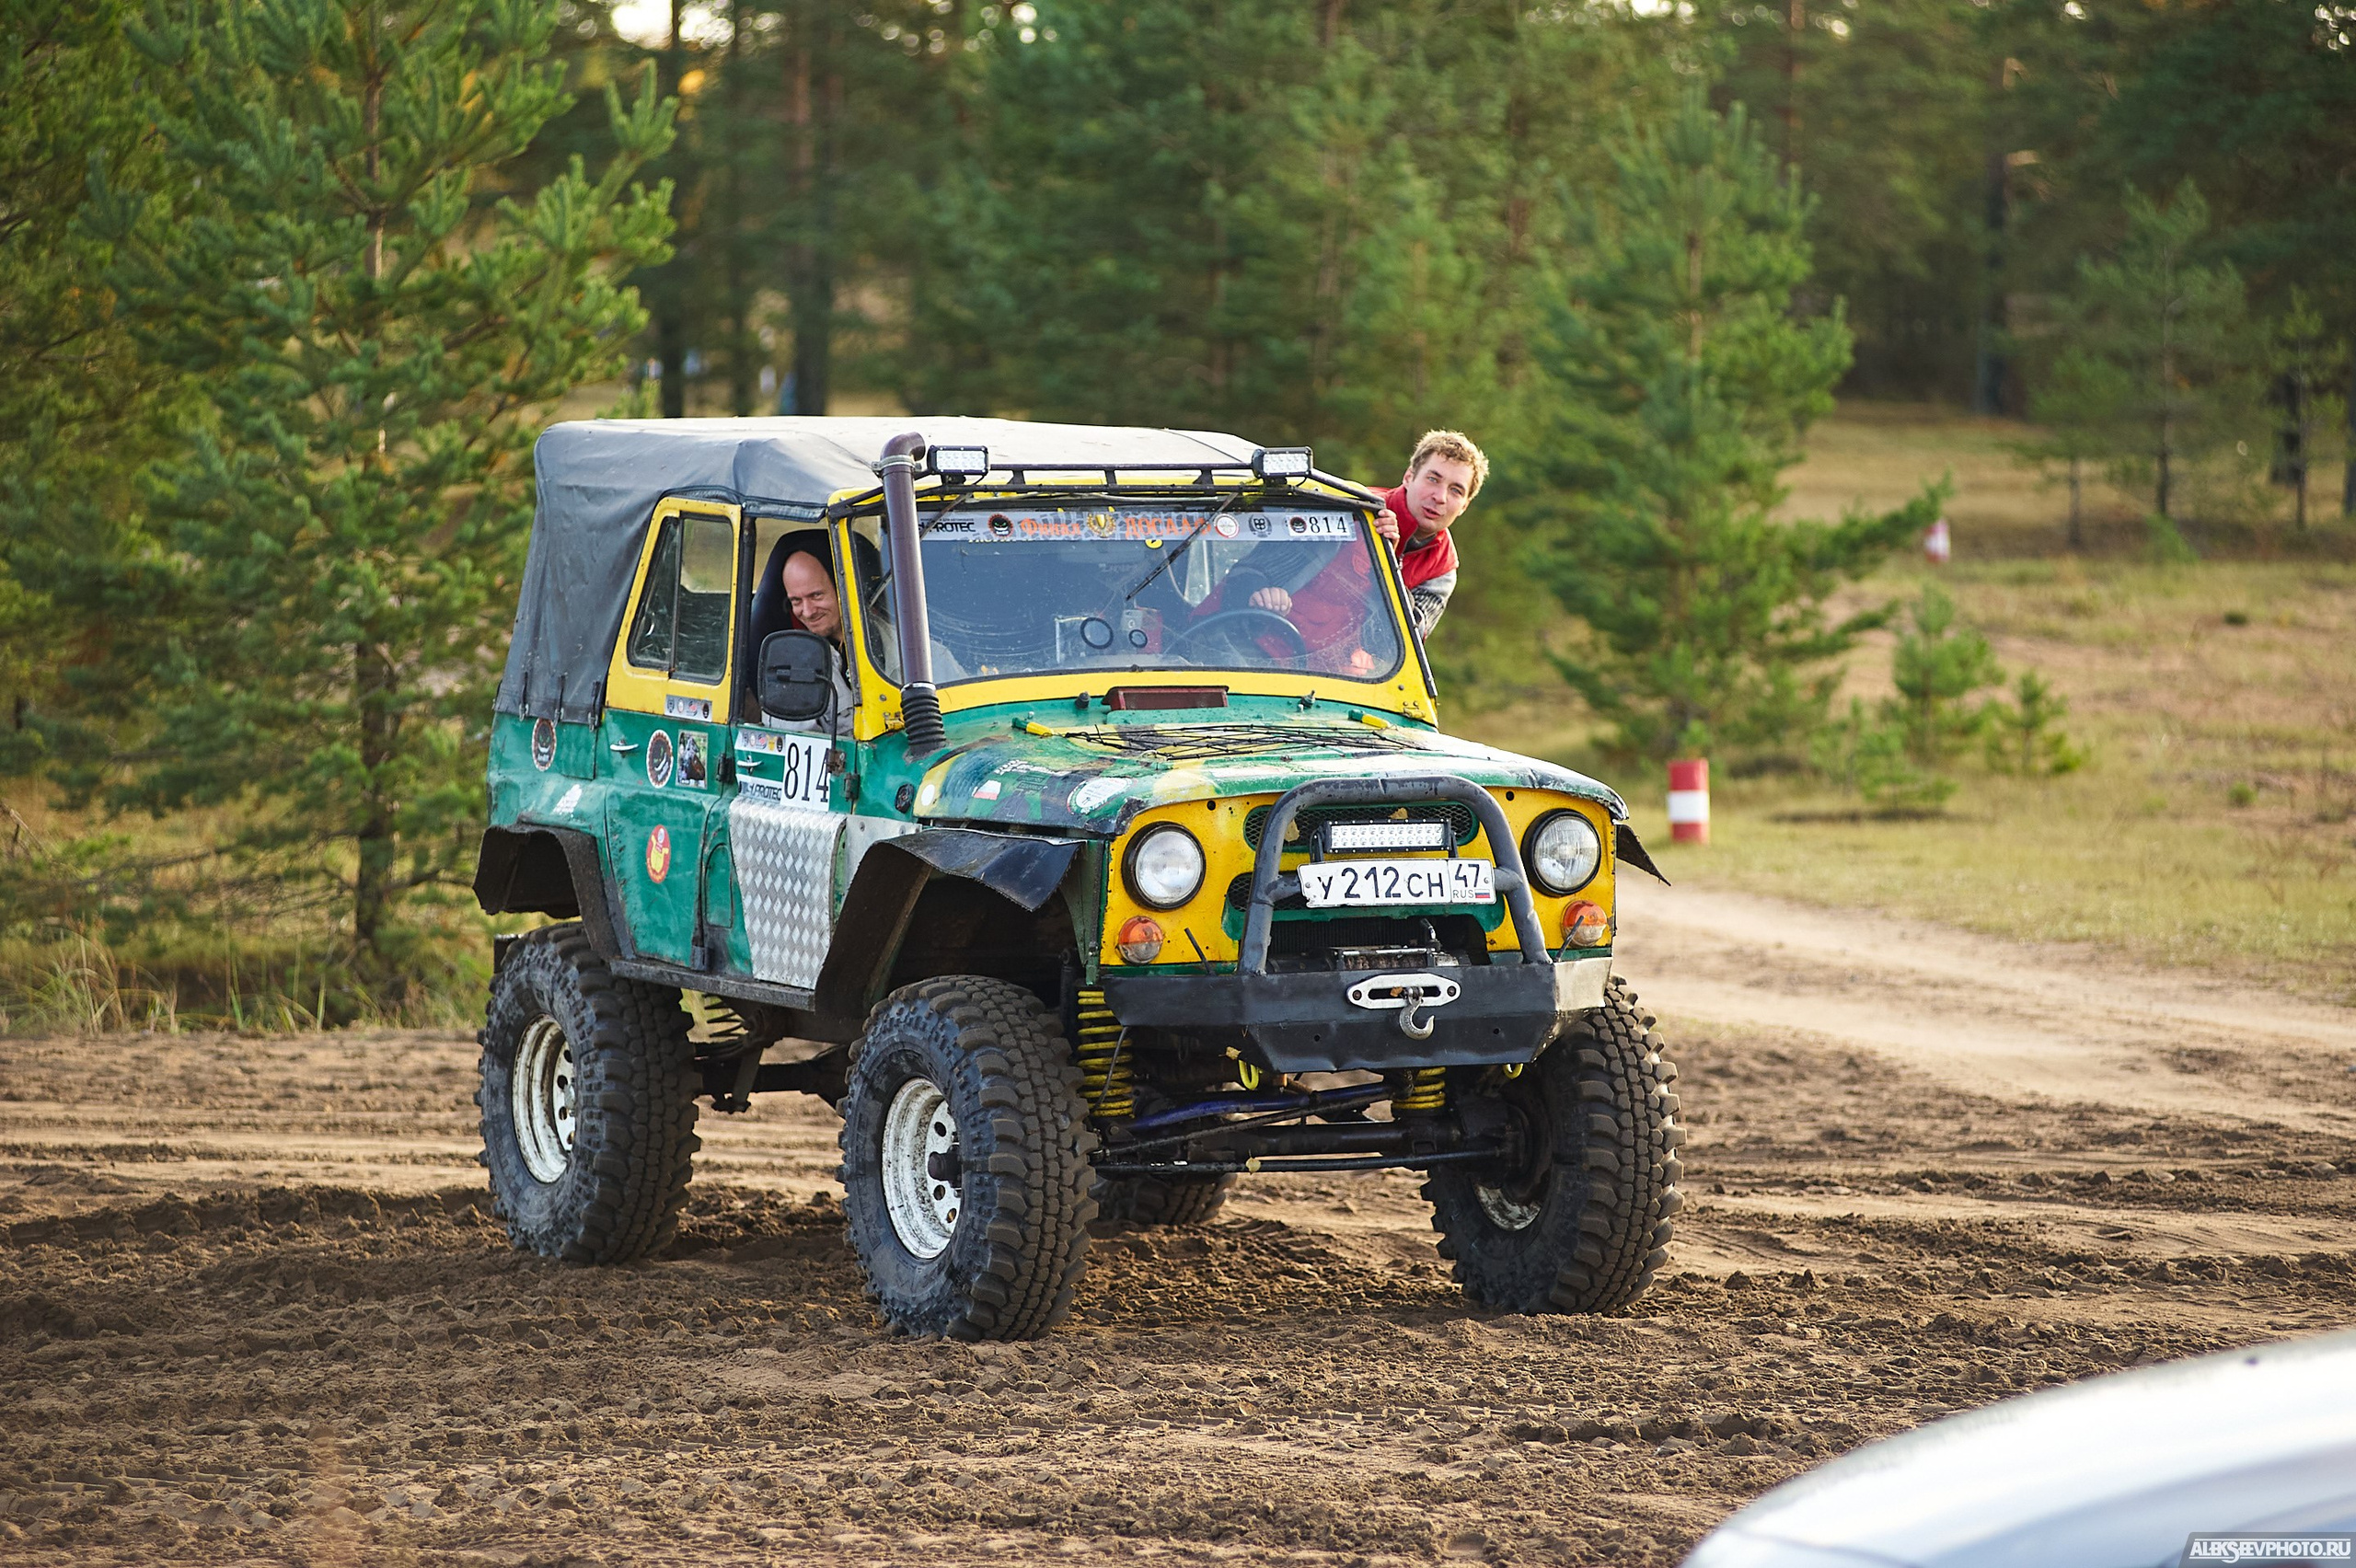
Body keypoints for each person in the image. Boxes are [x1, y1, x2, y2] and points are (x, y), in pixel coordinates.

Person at [1240, 429, 1485, 642]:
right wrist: (1261, 594)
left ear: (1464, 505)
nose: (1440, 497)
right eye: (1433, 479)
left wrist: (1385, 564)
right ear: (1409, 477)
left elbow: (1405, 642)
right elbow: (1248, 578)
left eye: (1456, 490)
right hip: (1259, 648)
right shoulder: (1349, 511)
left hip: (1349, 678)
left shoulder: (1442, 569)